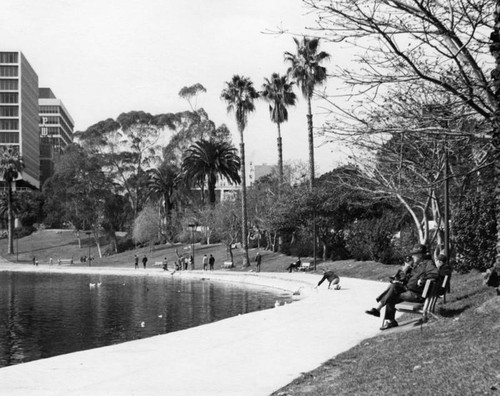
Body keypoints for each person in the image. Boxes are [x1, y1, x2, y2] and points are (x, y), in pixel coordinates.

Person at [365, 243, 439, 330]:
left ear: (420, 255)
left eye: (414, 255)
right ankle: (378, 310)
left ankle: (388, 319)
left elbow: (435, 274)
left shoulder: (428, 263)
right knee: (394, 286)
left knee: (392, 295)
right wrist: (403, 274)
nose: (412, 257)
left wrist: (423, 279)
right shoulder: (417, 265)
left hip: (416, 294)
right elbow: (409, 278)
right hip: (410, 290)